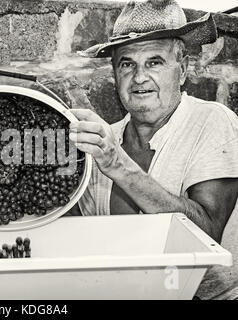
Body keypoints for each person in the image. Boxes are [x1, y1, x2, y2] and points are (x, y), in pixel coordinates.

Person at [71, 0, 238, 299]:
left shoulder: (212, 121)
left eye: (154, 62)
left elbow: (206, 233)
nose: (139, 78)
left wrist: (118, 165)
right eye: (127, 64)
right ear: (114, 75)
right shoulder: (104, 140)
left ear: (183, 69)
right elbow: (79, 238)